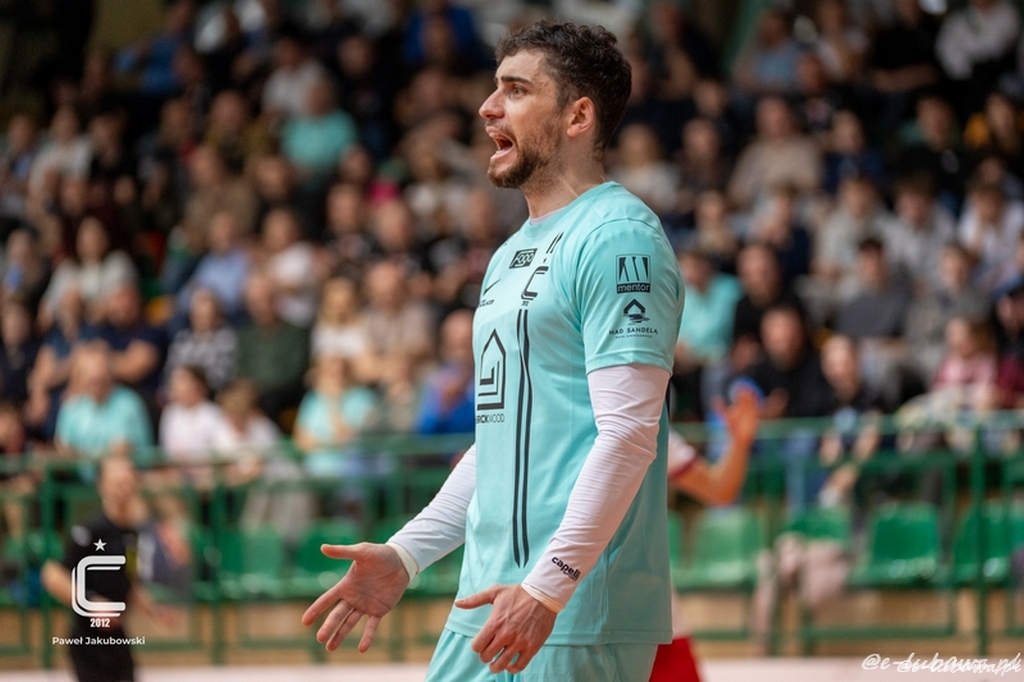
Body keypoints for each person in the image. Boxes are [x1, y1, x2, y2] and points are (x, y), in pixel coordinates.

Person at [302, 21, 685, 681]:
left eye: (515, 90)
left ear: (579, 116)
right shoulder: (507, 255)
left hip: (570, 612)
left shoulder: (621, 238)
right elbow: (499, 442)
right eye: (493, 88)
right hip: (485, 604)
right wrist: (407, 554)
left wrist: (548, 588)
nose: (486, 107)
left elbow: (628, 435)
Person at [649, 387, 759, 682]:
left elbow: (719, 490)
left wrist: (739, 443)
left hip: (654, 611)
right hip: (581, 614)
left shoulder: (651, 428)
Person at [41, 457, 173, 682]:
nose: (124, 488)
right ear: (102, 486)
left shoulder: (132, 535)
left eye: (128, 481)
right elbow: (52, 575)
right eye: (117, 482)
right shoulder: (90, 531)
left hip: (117, 638)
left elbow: (128, 582)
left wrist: (155, 610)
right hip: (89, 640)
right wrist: (92, 603)